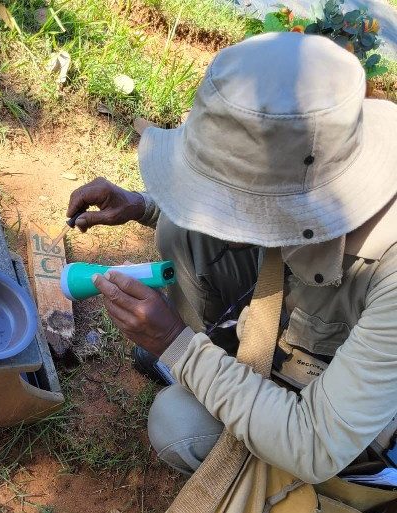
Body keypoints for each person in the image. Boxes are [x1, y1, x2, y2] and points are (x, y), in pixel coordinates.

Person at [66, 32, 397, 484]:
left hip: (348, 425)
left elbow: (317, 444)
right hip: (305, 337)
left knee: (179, 425)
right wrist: (145, 206)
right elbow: (258, 207)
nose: (221, 207)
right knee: (185, 227)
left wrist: (176, 345)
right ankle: (222, 369)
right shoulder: (316, 158)